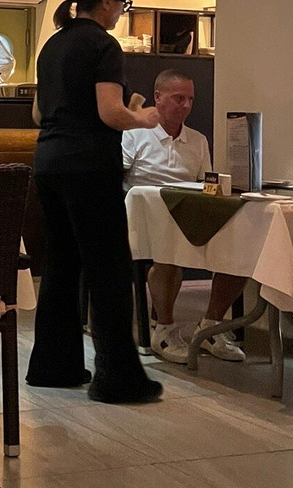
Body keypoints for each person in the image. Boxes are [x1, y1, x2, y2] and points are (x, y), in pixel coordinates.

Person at [26, 0, 163, 404]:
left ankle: (54, 365)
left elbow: (37, 114)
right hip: (88, 166)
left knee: (61, 265)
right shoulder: (104, 45)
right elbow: (109, 112)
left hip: (48, 164)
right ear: (106, 1)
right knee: (109, 269)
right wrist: (142, 117)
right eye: (122, 2)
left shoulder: (52, 45)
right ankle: (117, 378)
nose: (122, 11)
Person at [122, 69, 245, 364]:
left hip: (187, 214)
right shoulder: (134, 134)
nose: (186, 105)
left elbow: (206, 184)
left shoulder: (198, 140)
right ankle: (164, 329)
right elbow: (115, 177)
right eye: (179, 98)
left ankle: (211, 326)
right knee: (169, 252)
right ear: (158, 97)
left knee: (241, 249)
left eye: (190, 99)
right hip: (142, 219)